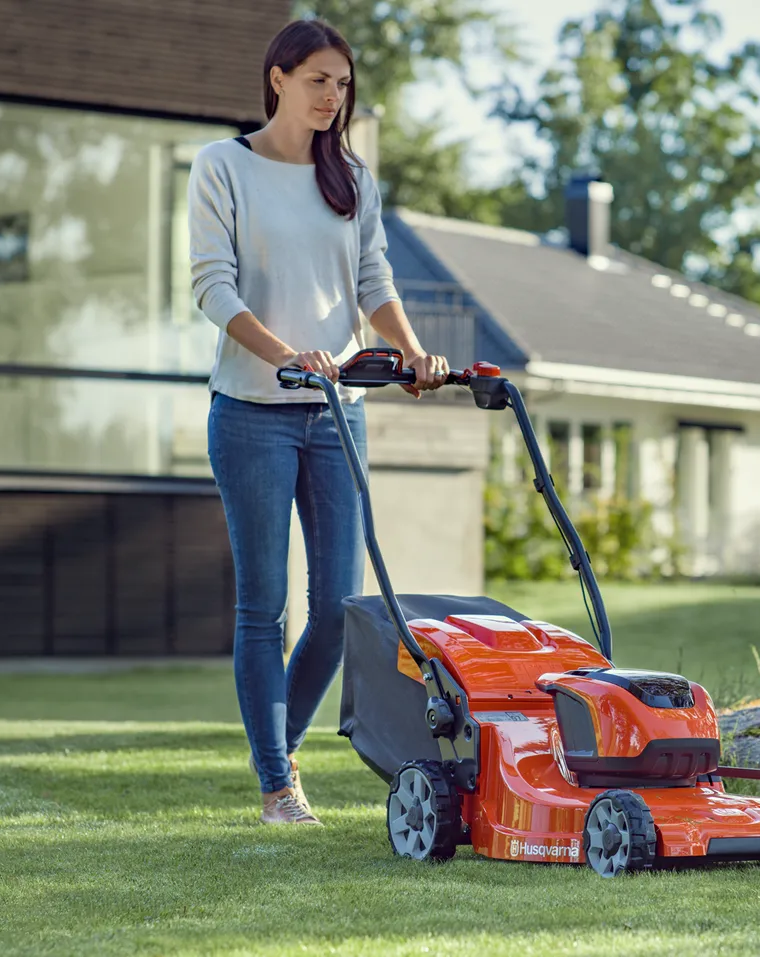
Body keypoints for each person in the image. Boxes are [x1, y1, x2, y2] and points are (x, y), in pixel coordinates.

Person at [188, 18, 450, 825]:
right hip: (253, 415)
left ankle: (276, 747)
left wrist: (412, 351)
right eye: (318, 80)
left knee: (340, 609)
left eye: (343, 83)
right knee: (263, 605)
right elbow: (213, 287)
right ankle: (278, 785)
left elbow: (373, 278)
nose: (333, 96)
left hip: (339, 416)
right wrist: (286, 353)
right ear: (278, 79)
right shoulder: (222, 166)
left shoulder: (352, 179)